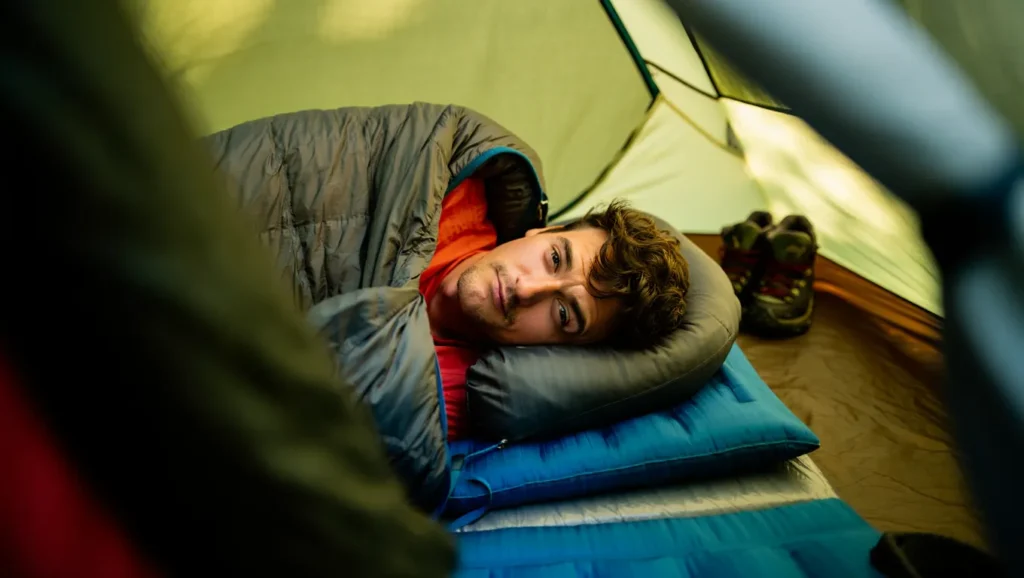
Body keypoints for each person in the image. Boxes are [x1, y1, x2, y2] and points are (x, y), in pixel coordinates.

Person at [419, 178, 690, 440]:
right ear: (542, 231)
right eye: (555, 258)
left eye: (564, 313)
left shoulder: (448, 395)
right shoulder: (445, 190)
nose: (526, 289)